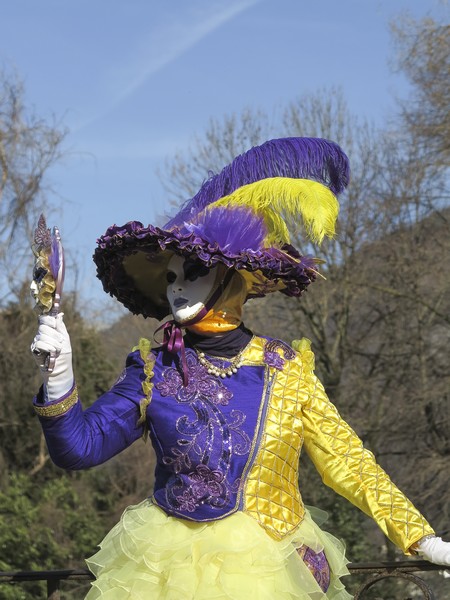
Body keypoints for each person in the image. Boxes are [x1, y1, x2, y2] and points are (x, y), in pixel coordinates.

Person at [31, 138, 450, 599]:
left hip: (274, 570)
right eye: (170, 278)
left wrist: (420, 537)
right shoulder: (154, 368)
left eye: (193, 272)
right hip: (168, 573)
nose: (177, 289)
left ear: (232, 277)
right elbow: (80, 448)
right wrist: (59, 377)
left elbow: (347, 461)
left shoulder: (285, 369)